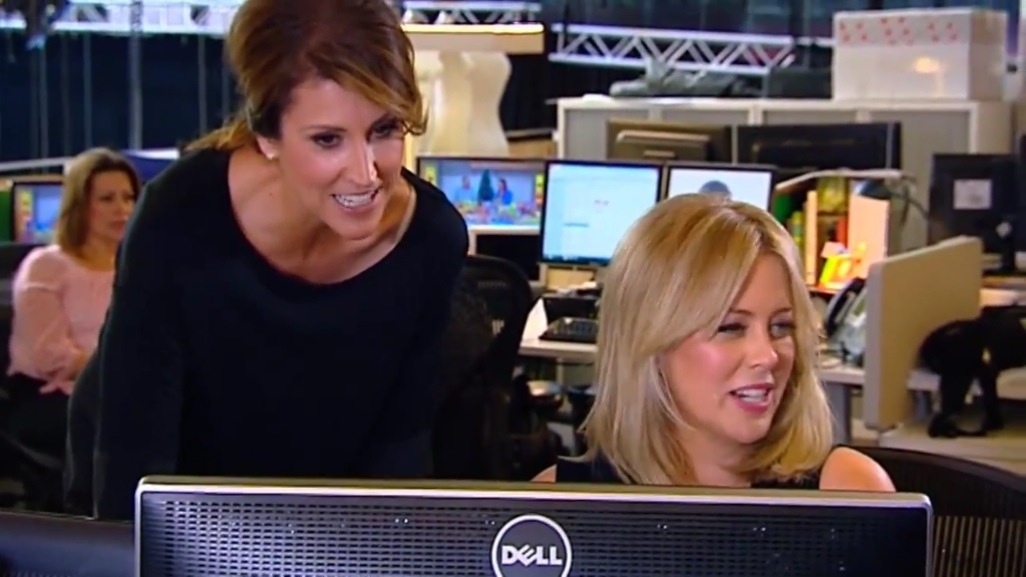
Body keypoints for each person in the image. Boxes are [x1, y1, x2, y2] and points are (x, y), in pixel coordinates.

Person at [67, 0, 469, 520]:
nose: (366, 174)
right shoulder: (179, 214)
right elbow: (135, 456)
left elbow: (400, 447)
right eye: (328, 139)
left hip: (318, 528)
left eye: (385, 130)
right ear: (267, 135)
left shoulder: (431, 239)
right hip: (179, 514)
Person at [534, 194, 894, 491]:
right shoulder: (556, 507)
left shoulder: (851, 490)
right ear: (651, 341)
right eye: (731, 328)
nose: (768, 355)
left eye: (781, 326)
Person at [6, 148, 138, 459]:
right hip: (53, 396)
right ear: (80, 205)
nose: (121, 209)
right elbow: (48, 354)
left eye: (128, 197)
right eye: (107, 199)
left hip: (123, 385)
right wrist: (122, 366)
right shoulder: (47, 266)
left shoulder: (138, 267)